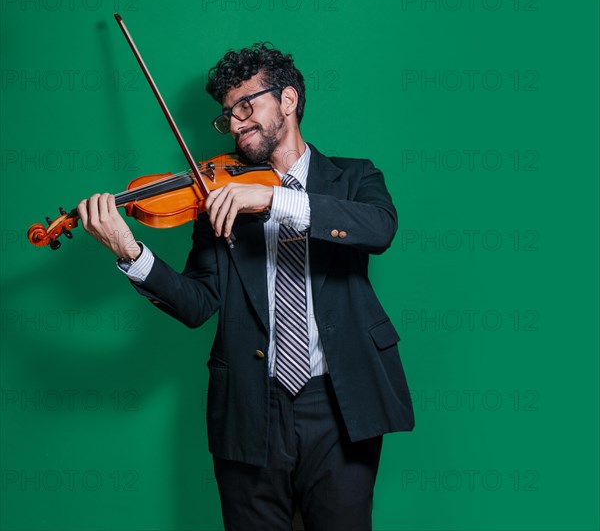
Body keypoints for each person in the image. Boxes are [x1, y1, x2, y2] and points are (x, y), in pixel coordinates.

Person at [77, 42, 414, 531]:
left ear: (289, 100)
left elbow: (378, 229)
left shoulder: (354, 176)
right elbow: (198, 304)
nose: (234, 124)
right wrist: (131, 252)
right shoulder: (215, 196)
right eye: (226, 116)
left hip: (341, 403)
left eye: (245, 106)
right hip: (251, 404)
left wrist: (274, 199)